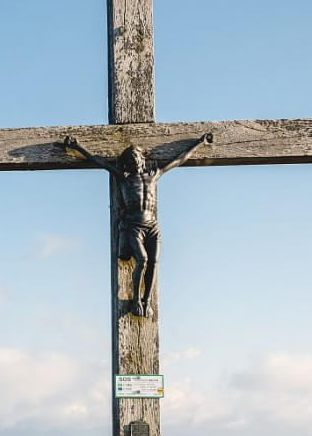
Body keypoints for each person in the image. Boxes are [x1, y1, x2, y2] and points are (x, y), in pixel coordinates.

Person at [62, 132, 213, 317]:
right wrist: (77, 147)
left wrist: (200, 142)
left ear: (142, 159)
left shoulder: (154, 175)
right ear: (127, 162)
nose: (135, 160)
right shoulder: (123, 177)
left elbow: (179, 159)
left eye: (137, 156)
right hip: (134, 225)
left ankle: (146, 301)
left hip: (152, 226)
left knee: (154, 262)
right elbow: (98, 161)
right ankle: (135, 301)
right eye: (131, 158)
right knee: (142, 260)